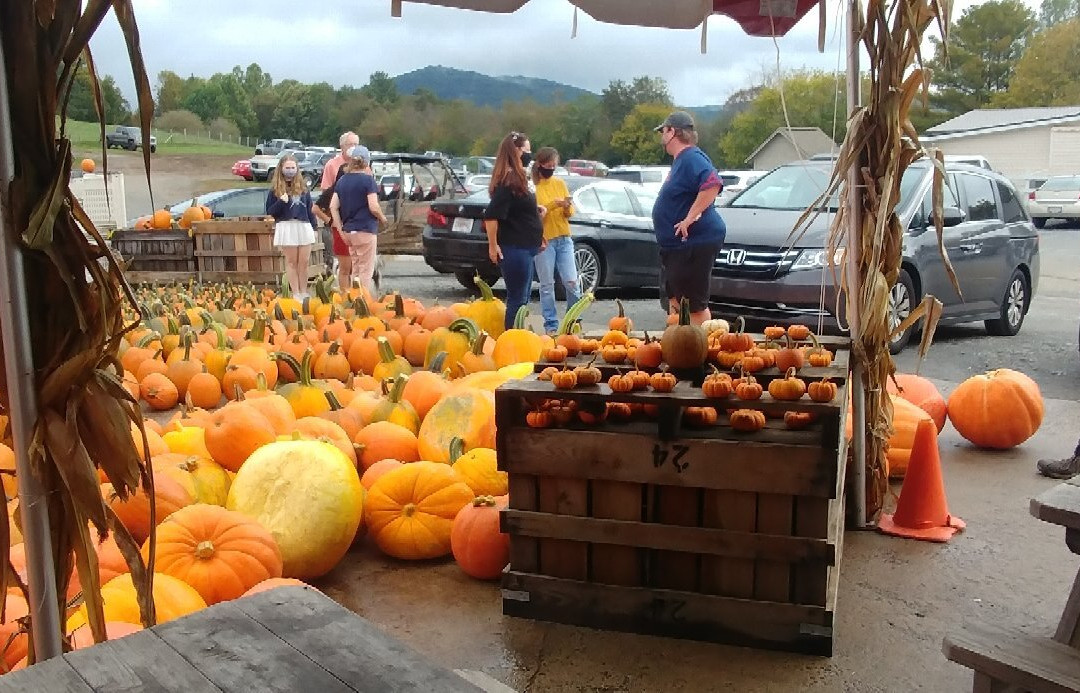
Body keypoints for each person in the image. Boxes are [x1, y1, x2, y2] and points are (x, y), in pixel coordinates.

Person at [650, 110, 726, 325]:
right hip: (674, 247)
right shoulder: (681, 161)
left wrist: (690, 218)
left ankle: (698, 351)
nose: (662, 137)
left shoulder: (691, 157)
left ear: (672, 131)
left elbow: (712, 183)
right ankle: (678, 348)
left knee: (693, 307)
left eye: (663, 131)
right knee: (675, 302)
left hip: (692, 243)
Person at [484, 131, 546, 331]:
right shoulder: (508, 180)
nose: (530, 155)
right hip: (515, 247)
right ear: (516, 151)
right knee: (517, 299)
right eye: (527, 151)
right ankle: (512, 338)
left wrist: (536, 214)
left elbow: (517, 210)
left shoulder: (520, 178)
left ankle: (518, 334)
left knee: (524, 298)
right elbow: (492, 215)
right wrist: (493, 245)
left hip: (528, 245)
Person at [531, 146, 579, 335]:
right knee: (547, 285)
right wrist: (553, 205)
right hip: (545, 240)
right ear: (540, 165)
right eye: (549, 165)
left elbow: (569, 213)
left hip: (564, 237)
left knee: (571, 281)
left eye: (554, 166)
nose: (551, 169)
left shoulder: (559, 183)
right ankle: (551, 325)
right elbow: (536, 214)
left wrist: (566, 206)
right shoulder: (534, 187)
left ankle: (572, 319)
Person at [330, 145, 387, 296]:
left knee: (355, 268)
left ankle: (353, 300)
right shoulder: (368, 181)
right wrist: (382, 218)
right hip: (365, 229)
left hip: (349, 231)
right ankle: (363, 302)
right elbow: (373, 206)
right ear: (367, 162)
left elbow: (333, 206)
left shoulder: (342, 181)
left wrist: (340, 228)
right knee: (366, 271)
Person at [266, 153, 317, 299]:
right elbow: (270, 211)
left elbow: (310, 209)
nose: (290, 170)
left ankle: (304, 291)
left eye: (292, 167)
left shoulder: (303, 189)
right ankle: (295, 292)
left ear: (297, 169)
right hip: (286, 226)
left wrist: (313, 227)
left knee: (304, 261)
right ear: (281, 168)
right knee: (291, 261)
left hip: (303, 225)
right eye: (287, 167)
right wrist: (281, 202)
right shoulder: (274, 190)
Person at [313, 153, 353, 290]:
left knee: (356, 266)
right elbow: (315, 208)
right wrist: (330, 221)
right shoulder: (333, 190)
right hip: (340, 229)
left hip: (355, 228)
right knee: (345, 267)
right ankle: (345, 294)